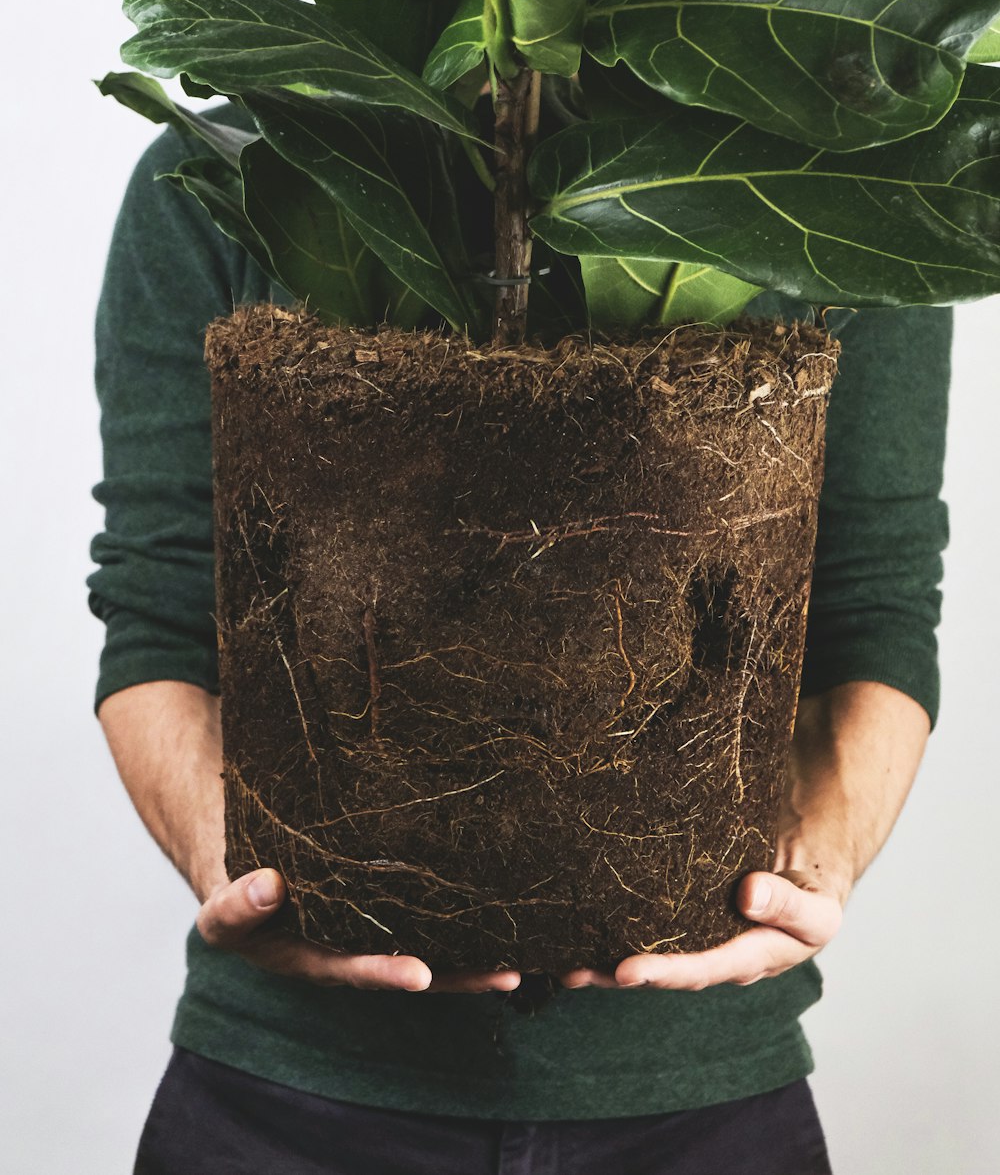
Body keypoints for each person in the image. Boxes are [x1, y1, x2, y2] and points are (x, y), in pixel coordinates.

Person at [89, 110, 949, 1174]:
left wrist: (816, 859)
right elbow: (160, 607)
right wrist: (239, 870)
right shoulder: (228, 168)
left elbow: (874, 605)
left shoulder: (846, 176)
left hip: (704, 1108)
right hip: (285, 1106)